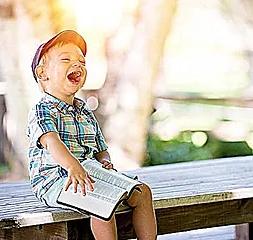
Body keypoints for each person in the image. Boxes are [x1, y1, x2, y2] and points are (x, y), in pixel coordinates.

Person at [27, 29, 157, 240]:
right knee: (103, 202)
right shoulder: (43, 109)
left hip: (89, 171)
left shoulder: (84, 109)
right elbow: (52, 141)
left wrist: (104, 160)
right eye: (66, 59)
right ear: (43, 74)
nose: (77, 65)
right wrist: (72, 166)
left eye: (82, 61)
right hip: (56, 180)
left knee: (142, 192)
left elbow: (100, 147)